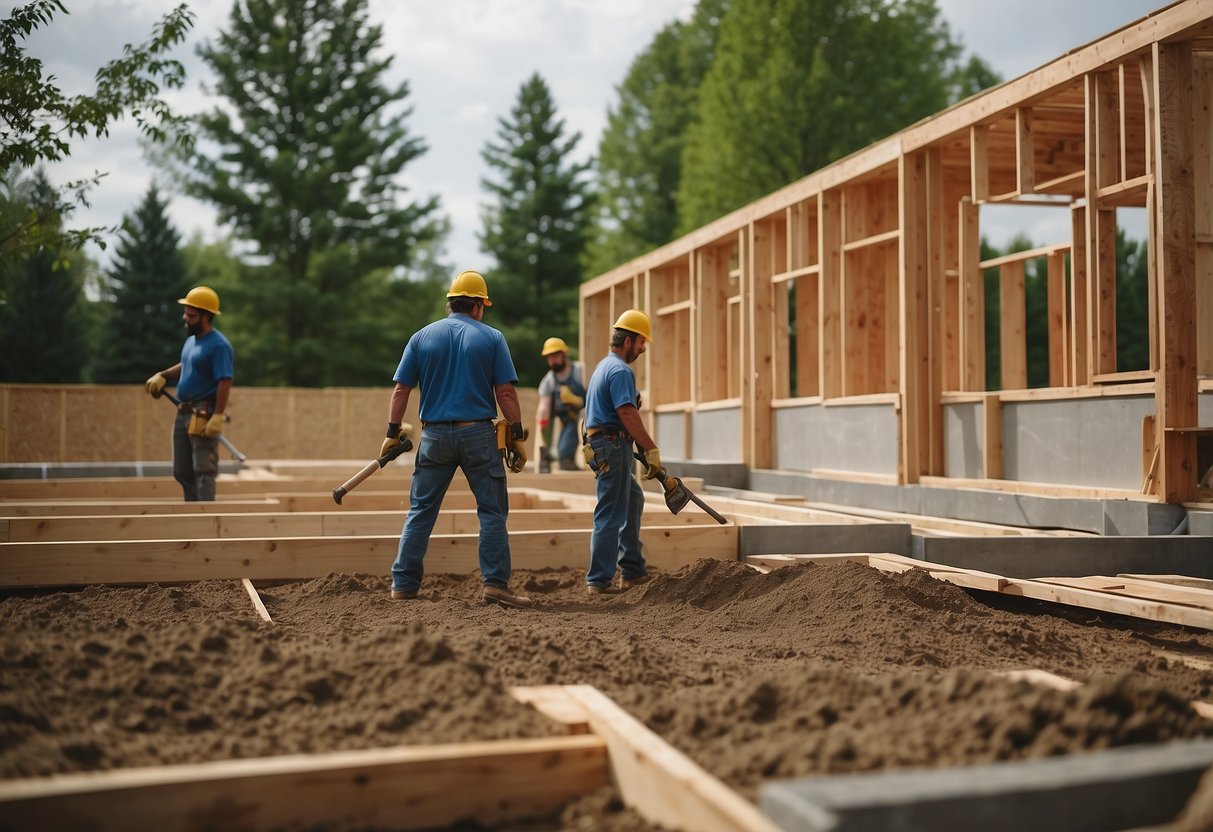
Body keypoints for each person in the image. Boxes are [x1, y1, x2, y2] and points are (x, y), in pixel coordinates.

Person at [384, 269, 533, 608]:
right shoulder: (493, 338)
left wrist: (392, 433)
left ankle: (403, 585)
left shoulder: (421, 337)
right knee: (492, 512)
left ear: (449, 303)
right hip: (478, 433)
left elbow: (401, 389)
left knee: (420, 510)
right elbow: (505, 392)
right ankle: (495, 585)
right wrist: (518, 434)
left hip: (434, 434)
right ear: (479, 305)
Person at [581, 309, 664, 595]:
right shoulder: (619, 370)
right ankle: (599, 581)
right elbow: (627, 413)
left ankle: (631, 570)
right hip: (612, 445)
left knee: (632, 498)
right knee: (610, 514)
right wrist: (650, 449)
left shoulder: (604, 366)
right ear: (628, 340)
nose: (642, 348)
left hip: (605, 444)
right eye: (642, 342)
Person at [144, 286, 235, 502]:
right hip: (183, 412)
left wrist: (218, 415)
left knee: (203, 470)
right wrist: (164, 375)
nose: (185, 318)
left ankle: (205, 520)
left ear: (206, 316)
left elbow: (225, 380)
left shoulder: (220, 346)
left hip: (203, 413)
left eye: (191, 315)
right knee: (182, 470)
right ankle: (192, 512)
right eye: (186, 313)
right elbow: (187, 365)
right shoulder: (192, 341)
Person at [535, 337, 586, 472]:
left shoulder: (580, 371)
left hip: (584, 416)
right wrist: (543, 427)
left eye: (555, 356)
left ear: (563, 354)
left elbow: (594, 395)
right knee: (563, 454)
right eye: (549, 357)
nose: (552, 360)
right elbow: (544, 407)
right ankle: (552, 459)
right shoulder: (549, 380)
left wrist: (577, 400)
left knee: (583, 418)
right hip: (564, 419)